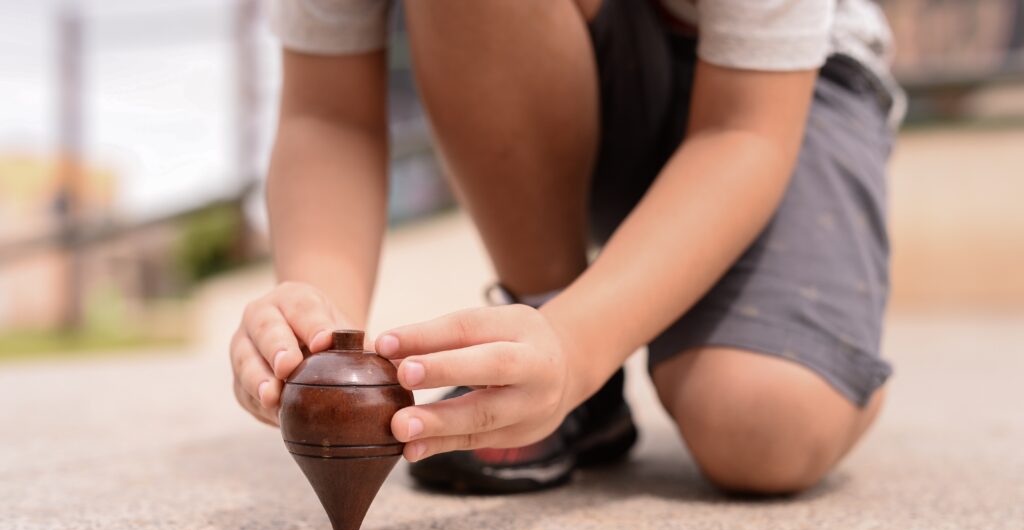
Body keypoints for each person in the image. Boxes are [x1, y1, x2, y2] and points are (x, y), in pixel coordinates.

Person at [231, 0, 903, 496]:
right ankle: (565, 358)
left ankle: (830, 348)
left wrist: (577, 343)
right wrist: (318, 327)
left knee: (764, 423)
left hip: (789, 95)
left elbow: (745, 132)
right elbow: (328, 114)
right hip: (573, 83)